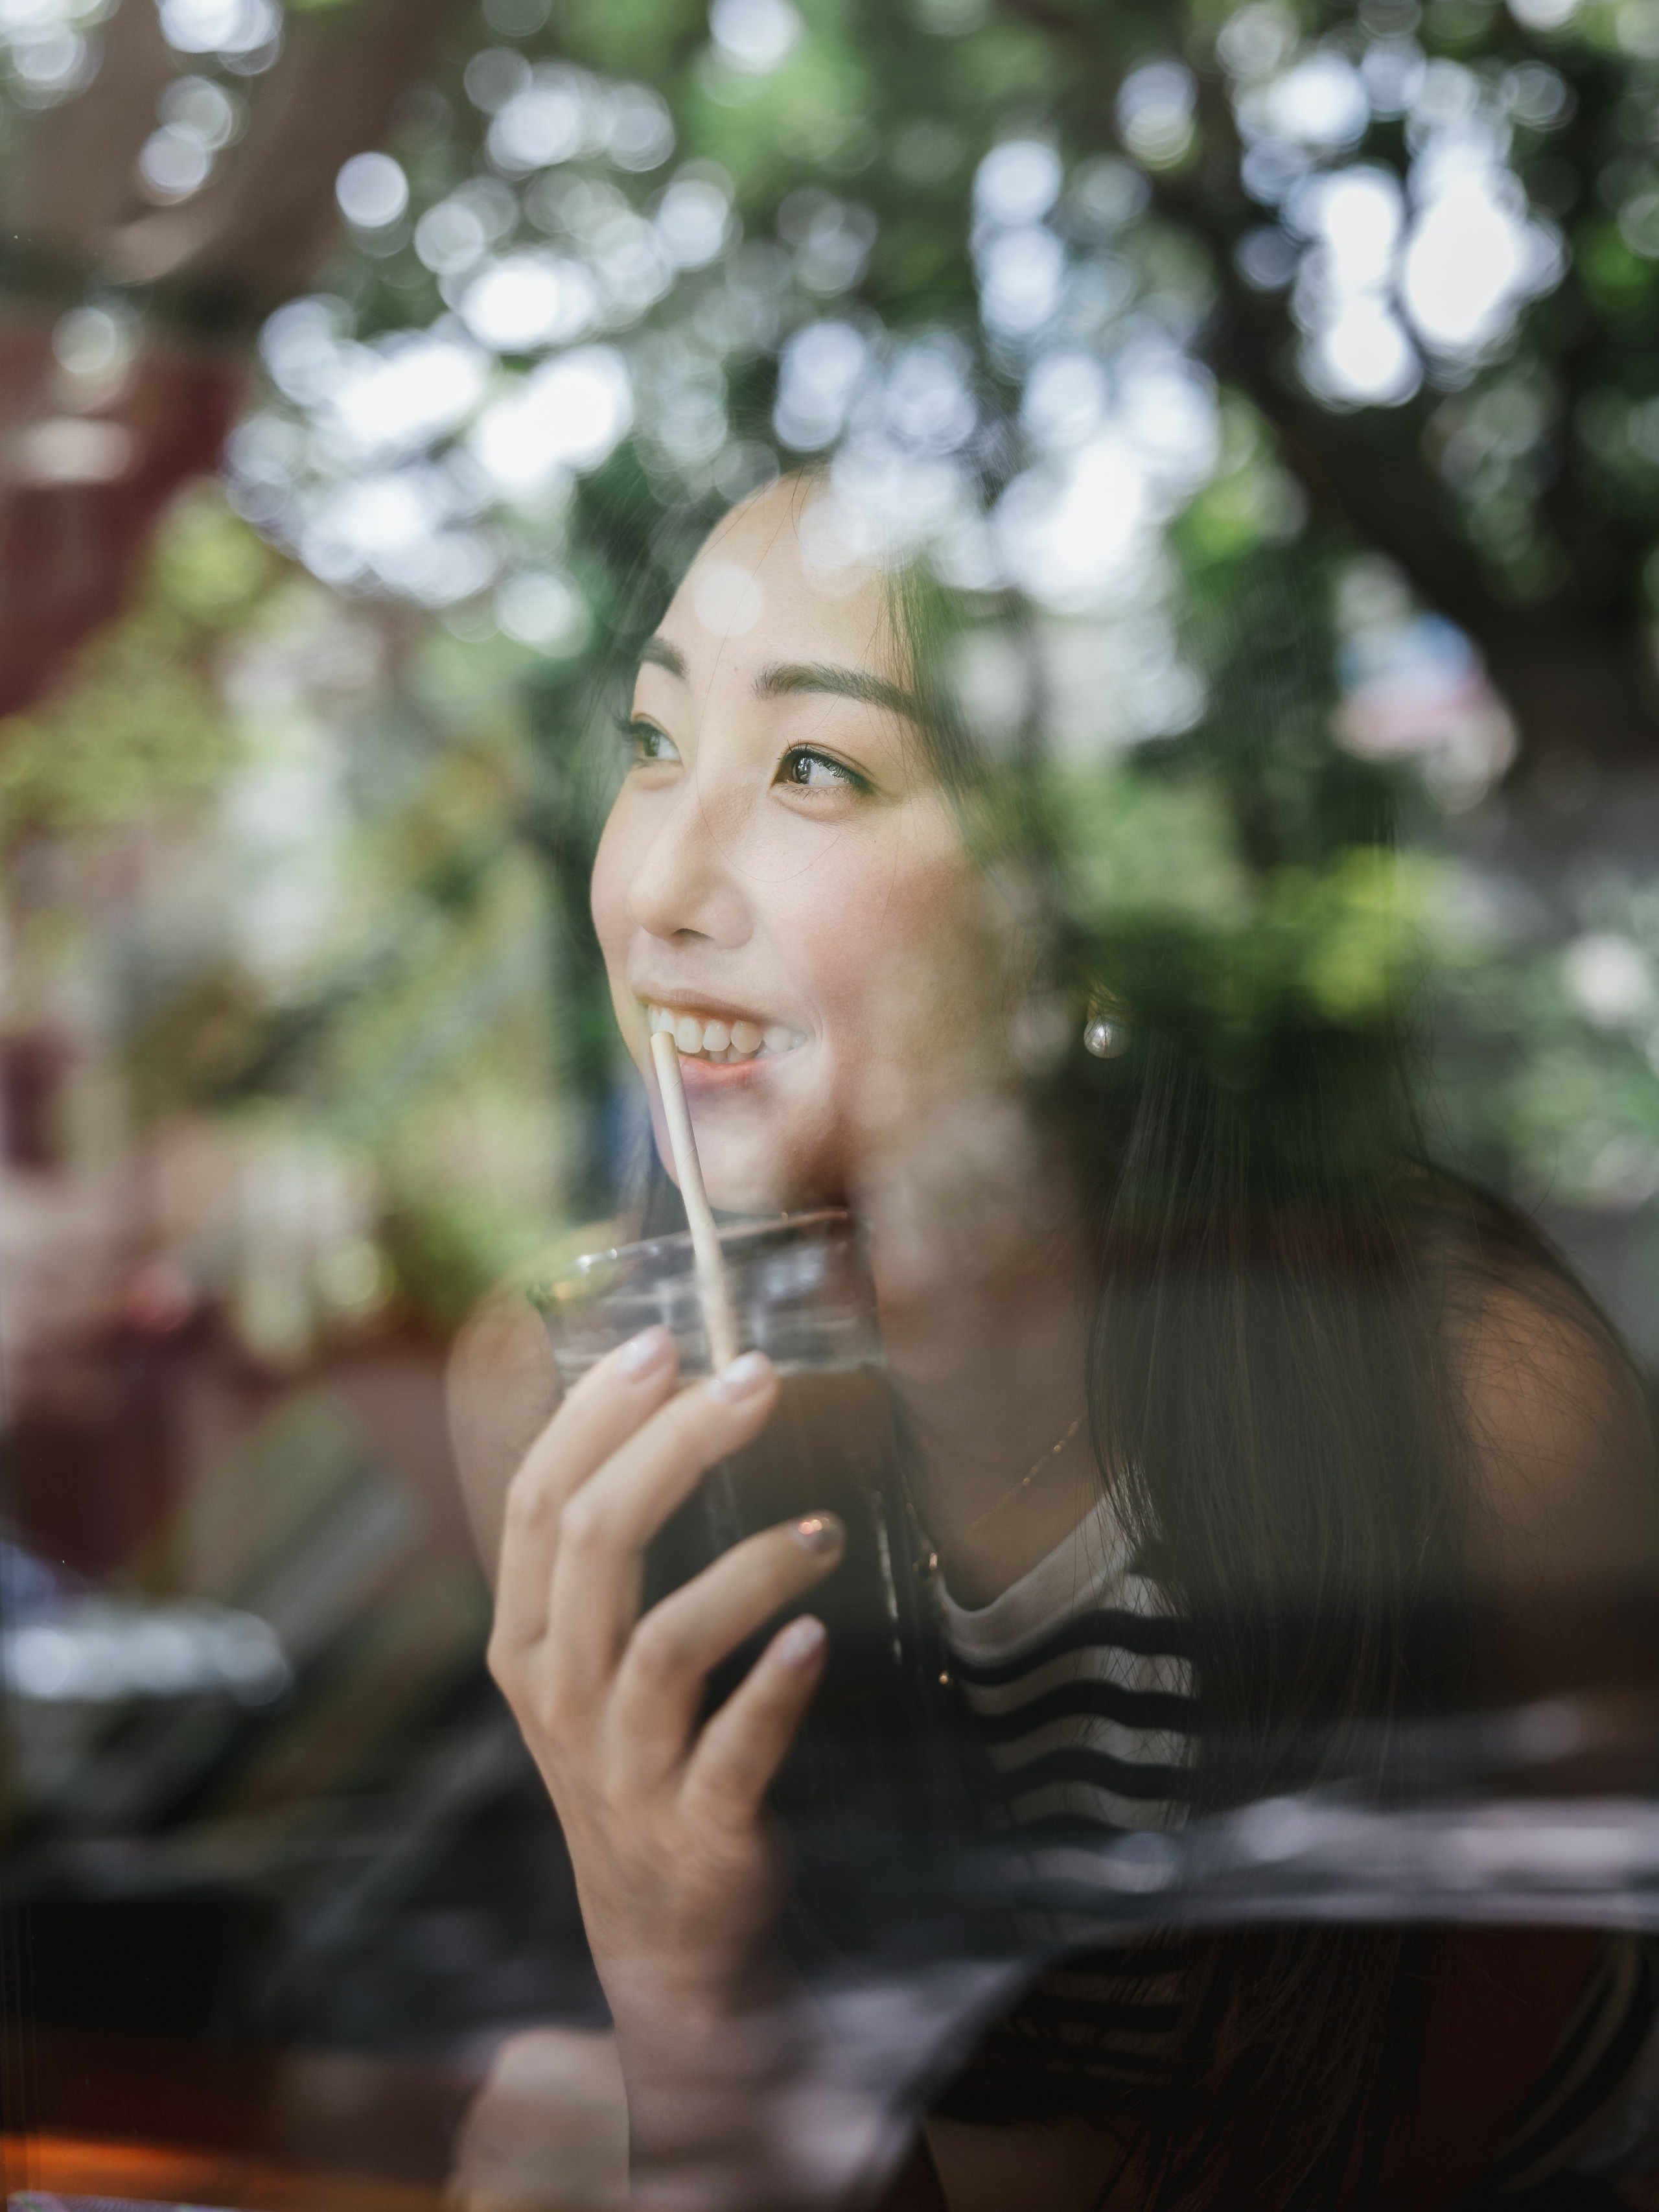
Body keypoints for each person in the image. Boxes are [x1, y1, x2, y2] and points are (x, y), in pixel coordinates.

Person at [449, 471, 1659, 2211]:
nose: (652, 887)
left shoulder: (1483, 1416)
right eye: (653, 745)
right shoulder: (581, 1412)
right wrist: (668, 1988)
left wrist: (693, 2092)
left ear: (1081, 915)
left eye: (814, 768)